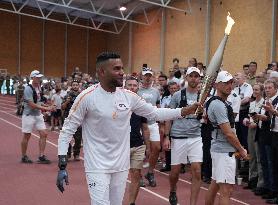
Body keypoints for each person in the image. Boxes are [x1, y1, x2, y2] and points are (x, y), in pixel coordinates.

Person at [56, 52, 200, 205]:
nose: (122, 72)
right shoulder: (87, 97)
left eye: (122, 68)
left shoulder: (128, 96)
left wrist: (183, 111)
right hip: (97, 166)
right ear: (102, 72)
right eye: (117, 69)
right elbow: (67, 130)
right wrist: (62, 163)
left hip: (121, 165)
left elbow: (154, 113)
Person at [205, 71, 248, 205]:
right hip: (224, 151)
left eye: (231, 82)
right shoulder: (218, 105)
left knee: (214, 185)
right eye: (226, 83)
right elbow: (228, 133)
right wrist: (241, 150)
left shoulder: (219, 102)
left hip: (220, 150)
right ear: (217, 85)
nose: (229, 85)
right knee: (226, 190)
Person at [164, 67, 203, 205]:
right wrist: (166, 137)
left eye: (196, 76)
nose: (193, 78)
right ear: (186, 78)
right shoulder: (177, 96)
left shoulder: (203, 96)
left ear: (200, 79)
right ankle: (173, 190)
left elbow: (207, 118)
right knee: (174, 173)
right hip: (178, 137)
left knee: (197, 171)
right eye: (191, 76)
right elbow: (169, 117)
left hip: (195, 137)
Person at [125, 76, 150, 205]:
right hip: (121, 147)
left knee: (135, 174)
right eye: (129, 85)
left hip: (138, 145)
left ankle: (131, 202)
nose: (132, 88)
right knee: (119, 176)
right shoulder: (117, 103)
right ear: (125, 87)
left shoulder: (141, 105)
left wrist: (148, 147)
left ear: (138, 87)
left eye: (134, 85)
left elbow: (145, 128)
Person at [21, 70, 54, 164]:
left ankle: (41, 156)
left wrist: (48, 106)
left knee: (44, 134)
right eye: (37, 77)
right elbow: (31, 104)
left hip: (38, 114)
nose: (39, 79)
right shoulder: (28, 89)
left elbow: (38, 101)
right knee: (27, 135)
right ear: (32, 78)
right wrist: (46, 108)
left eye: (40, 77)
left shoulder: (39, 87)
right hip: (29, 115)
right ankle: (23, 156)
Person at [137, 67, 161, 187]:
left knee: (156, 148)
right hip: (140, 125)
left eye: (149, 76)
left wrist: (161, 123)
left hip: (152, 123)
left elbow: (158, 106)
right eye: (145, 75)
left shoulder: (156, 91)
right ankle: (139, 175)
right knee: (141, 151)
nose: (147, 78)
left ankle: (150, 172)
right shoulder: (137, 90)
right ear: (141, 77)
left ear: (152, 77)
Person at [61, 79, 82, 161]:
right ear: (71, 86)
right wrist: (67, 101)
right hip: (68, 119)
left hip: (78, 119)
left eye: (76, 85)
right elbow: (62, 107)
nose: (75, 86)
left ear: (78, 86)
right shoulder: (67, 95)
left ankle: (76, 154)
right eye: (74, 85)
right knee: (67, 138)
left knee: (78, 138)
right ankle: (68, 154)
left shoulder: (81, 95)